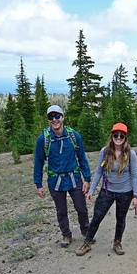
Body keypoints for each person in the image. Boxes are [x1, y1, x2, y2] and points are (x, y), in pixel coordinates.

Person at [76, 123, 137, 256]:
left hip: (125, 193)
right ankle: (87, 242)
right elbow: (99, 172)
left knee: (120, 218)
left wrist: (136, 195)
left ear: (125, 137)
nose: (118, 137)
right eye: (115, 135)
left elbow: (134, 175)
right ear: (112, 136)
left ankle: (117, 242)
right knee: (97, 217)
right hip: (107, 191)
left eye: (121, 135)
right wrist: (91, 191)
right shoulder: (104, 152)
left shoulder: (130, 154)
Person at [33, 105, 91, 248]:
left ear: (63, 117)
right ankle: (66, 235)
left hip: (74, 177)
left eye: (57, 116)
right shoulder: (43, 140)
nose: (54, 120)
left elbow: (82, 157)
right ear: (48, 120)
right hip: (55, 180)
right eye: (51, 117)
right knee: (61, 210)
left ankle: (86, 231)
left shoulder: (74, 136)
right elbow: (38, 162)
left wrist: (87, 178)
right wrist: (38, 184)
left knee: (81, 207)